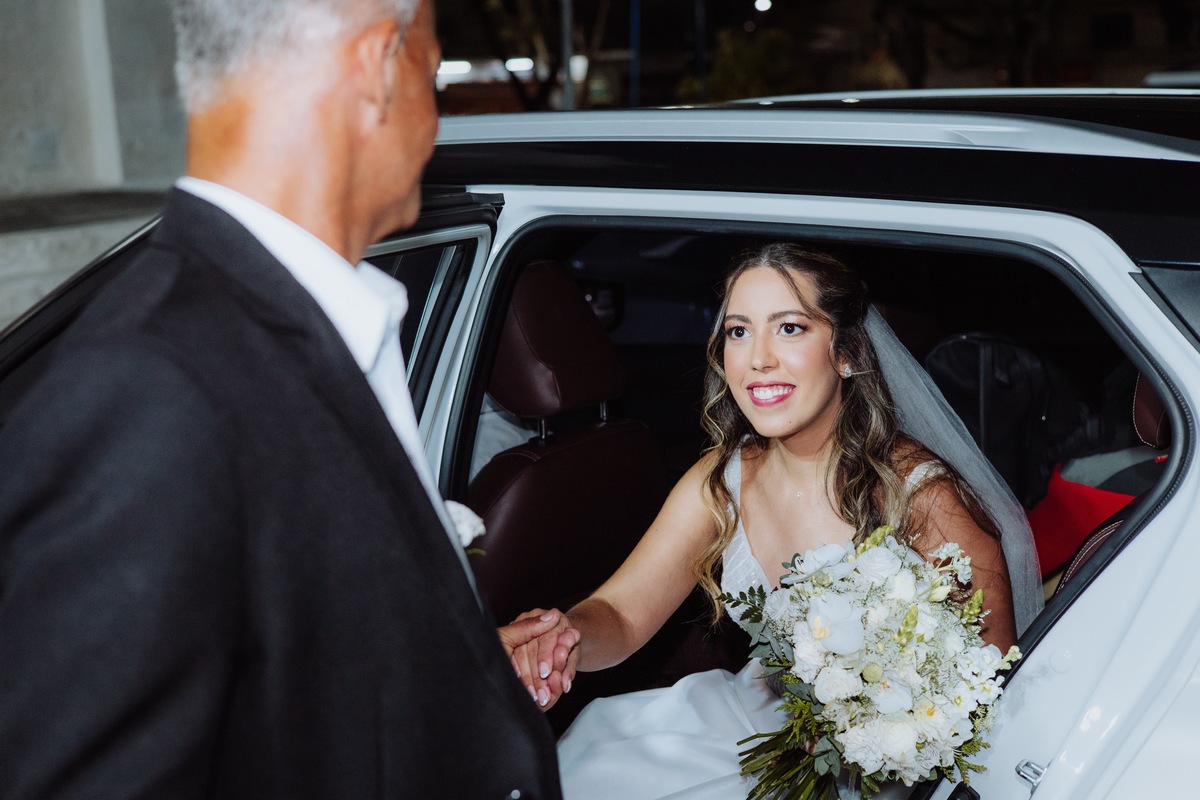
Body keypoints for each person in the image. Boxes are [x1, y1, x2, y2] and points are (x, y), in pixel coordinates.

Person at [0, 0, 570, 797]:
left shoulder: (301, 329)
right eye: (432, 72)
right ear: (378, 69)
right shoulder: (146, 395)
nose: (436, 115)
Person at [513, 243, 1043, 799]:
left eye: (789, 328)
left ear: (847, 353)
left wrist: (876, 727)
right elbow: (620, 614)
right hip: (744, 723)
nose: (758, 358)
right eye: (739, 332)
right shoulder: (722, 478)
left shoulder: (922, 497)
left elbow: (990, 690)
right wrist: (563, 638)